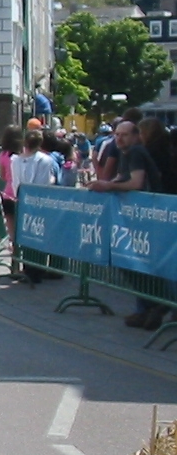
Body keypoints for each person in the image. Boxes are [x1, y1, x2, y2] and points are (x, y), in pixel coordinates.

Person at [89, 120, 163, 328]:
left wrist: (108, 185)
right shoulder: (126, 154)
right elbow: (124, 177)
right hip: (137, 216)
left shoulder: (137, 153)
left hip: (146, 216)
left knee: (138, 263)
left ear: (136, 136)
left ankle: (156, 304)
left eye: (125, 135)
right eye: (117, 135)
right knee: (130, 263)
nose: (119, 139)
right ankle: (148, 307)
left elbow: (136, 182)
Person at [0, 125, 24, 244]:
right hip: (22, 193)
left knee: (10, 224)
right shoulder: (23, 154)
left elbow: (2, 176)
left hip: (8, 193)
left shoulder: (3, 155)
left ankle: (14, 248)